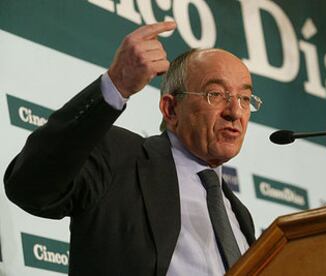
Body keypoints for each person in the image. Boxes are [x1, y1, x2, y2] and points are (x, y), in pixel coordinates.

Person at [4, 21, 262, 275]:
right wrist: (116, 85)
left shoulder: (239, 215)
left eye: (245, 98)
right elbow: (29, 186)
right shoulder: (119, 158)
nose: (235, 112)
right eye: (215, 94)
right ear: (170, 109)